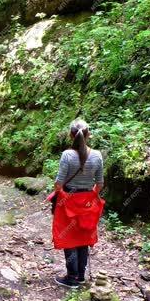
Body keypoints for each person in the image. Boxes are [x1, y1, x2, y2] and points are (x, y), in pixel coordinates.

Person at [49, 119, 105, 289]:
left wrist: (63, 195)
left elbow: (58, 184)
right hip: (87, 201)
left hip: (68, 199)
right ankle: (81, 276)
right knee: (83, 236)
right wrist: (90, 196)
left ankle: (72, 277)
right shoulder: (97, 155)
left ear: (70, 135)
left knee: (69, 237)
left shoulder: (67, 155)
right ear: (88, 135)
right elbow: (100, 183)